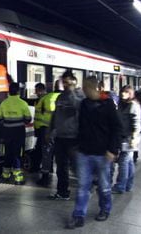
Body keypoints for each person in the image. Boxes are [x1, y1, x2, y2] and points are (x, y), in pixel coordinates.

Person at [66, 76, 122, 229]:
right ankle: (78, 216)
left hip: (103, 154)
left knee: (104, 186)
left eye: (85, 88)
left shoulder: (108, 104)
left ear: (93, 88)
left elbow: (117, 128)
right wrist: (77, 144)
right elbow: (81, 125)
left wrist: (112, 150)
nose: (83, 90)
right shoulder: (84, 104)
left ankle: (105, 209)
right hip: (84, 152)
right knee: (83, 185)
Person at [49, 72, 85, 200]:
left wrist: (71, 92)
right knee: (61, 166)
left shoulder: (80, 95)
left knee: (77, 167)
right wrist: (51, 130)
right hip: (60, 137)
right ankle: (62, 192)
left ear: (74, 82)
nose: (64, 85)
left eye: (67, 82)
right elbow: (55, 115)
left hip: (74, 138)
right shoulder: (60, 97)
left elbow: (78, 106)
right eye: (63, 82)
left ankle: (84, 191)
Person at [0, 82, 32, 185]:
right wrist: (21, 122)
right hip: (19, 132)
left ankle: (5, 176)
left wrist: (7, 124)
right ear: (18, 91)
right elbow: (28, 119)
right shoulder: (23, 103)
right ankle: (18, 178)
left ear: (9, 91)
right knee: (17, 154)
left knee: (8, 153)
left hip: (7, 132)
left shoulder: (3, 103)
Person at [111, 85, 141, 194]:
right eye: (122, 92)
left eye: (126, 92)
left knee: (123, 162)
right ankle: (128, 185)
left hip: (129, 138)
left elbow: (137, 124)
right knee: (128, 162)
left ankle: (120, 186)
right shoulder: (121, 104)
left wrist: (134, 138)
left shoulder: (133, 106)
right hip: (122, 137)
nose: (123, 94)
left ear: (130, 94)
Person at [35, 82, 61, 186]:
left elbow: (41, 115)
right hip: (62, 131)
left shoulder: (47, 98)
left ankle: (46, 177)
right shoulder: (66, 98)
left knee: (47, 153)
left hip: (47, 129)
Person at [31, 82, 47, 172]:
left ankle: (37, 168)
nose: (35, 92)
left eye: (36, 90)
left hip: (44, 129)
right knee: (40, 149)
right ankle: (39, 167)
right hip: (39, 129)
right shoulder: (39, 100)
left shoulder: (45, 100)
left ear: (41, 90)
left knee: (40, 150)